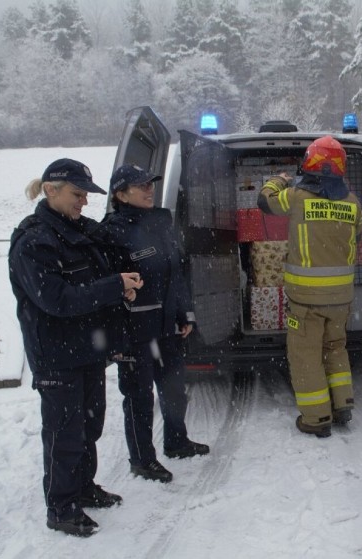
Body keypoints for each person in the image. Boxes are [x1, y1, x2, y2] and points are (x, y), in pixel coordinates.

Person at [9, 158, 143, 537]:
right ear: (51, 190)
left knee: (89, 424)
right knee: (64, 433)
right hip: (56, 356)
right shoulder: (34, 239)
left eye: (85, 195)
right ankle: (61, 507)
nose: (83, 202)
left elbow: (107, 256)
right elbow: (57, 299)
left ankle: (84, 487)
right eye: (77, 194)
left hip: (85, 350)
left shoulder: (77, 230)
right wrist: (114, 286)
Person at [96, 164, 209, 484]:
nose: (149, 189)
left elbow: (176, 273)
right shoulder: (111, 233)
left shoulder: (161, 222)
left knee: (174, 389)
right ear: (120, 194)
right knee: (139, 397)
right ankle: (143, 460)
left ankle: (176, 442)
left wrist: (183, 312)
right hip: (134, 332)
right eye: (140, 185)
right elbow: (109, 288)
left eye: (150, 184)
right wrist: (115, 335)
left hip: (166, 328)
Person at [258, 136, 362, 438]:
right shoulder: (353, 204)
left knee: (306, 355)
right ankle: (343, 404)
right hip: (341, 298)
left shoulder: (296, 196)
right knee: (335, 348)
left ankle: (317, 418)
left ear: (310, 163)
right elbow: (355, 241)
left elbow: (264, 201)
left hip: (305, 299)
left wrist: (277, 180)